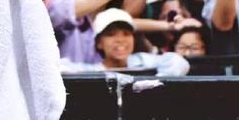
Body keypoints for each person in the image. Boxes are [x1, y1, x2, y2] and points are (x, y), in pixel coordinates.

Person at [59, 8, 189, 75]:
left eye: (126, 34)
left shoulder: (142, 61)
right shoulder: (92, 71)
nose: (120, 40)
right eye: (111, 35)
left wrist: (155, 83)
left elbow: (178, 62)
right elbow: (61, 68)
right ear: (99, 43)